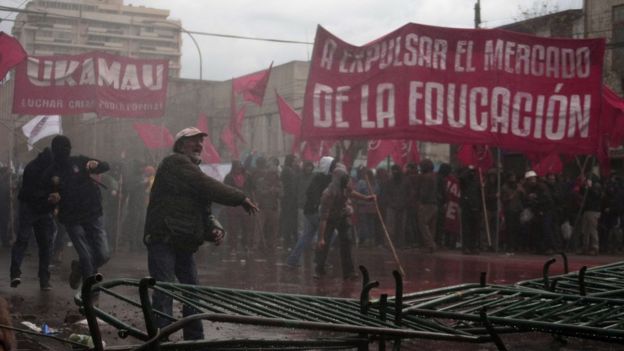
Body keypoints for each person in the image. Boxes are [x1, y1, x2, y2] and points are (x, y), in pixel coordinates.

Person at [144, 127, 258, 342]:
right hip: (164, 238)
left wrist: (213, 229)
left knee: (192, 292)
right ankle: (160, 338)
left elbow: (203, 211)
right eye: (193, 141)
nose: (199, 145)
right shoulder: (174, 163)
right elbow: (206, 186)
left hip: (183, 240)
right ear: (180, 146)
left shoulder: (193, 173)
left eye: (200, 142)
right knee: (165, 289)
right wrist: (240, 198)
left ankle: (195, 340)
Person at [44, 135, 111, 289]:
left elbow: (105, 166)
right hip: (71, 218)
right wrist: (52, 198)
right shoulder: (52, 172)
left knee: (103, 254)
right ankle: (91, 297)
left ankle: (79, 268)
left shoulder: (79, 161)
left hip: (93, 213)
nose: (64, 151)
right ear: (55, 151)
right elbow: (43, 193)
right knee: (87, 257)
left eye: (66, 148)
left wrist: (96, 165)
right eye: (61, 149)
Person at [314, 163, 375, 280]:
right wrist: (321, 237)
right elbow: (323, 218)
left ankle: (349, 272)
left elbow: (351, 193)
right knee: (324, 244)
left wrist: (366, 198)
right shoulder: (328, 194)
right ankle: (319, 268)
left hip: (342, 214)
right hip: (329, 218)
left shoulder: (346, 186)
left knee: (346, 242)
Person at [10, 148, 56, 290]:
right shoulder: (32, 168)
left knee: (45, 244)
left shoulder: (50, 168)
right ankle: (15, 273)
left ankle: (44, 279)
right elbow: (31, 192)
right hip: (29, 207)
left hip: (42, 209)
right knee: (23, 240)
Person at [285, 156, 335, 268]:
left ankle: (293, 259)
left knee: (306, 236)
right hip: (315, 211)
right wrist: (318, 204)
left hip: (309, 210)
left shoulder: (317, 177)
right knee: (330, 234)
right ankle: (320, 259)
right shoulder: (323, 178)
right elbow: (315, 194)